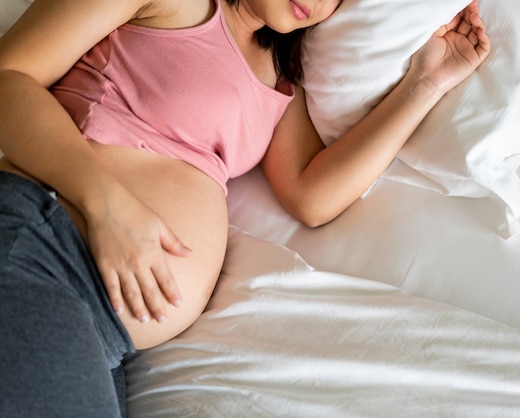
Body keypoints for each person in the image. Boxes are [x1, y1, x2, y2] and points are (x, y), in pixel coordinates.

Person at [0, 0, 490, 415]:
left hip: (103, 334)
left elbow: (312, 197)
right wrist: (108, 207)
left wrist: (425, 83)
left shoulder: (276, 80)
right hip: (45, 246)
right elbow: (10, 74)